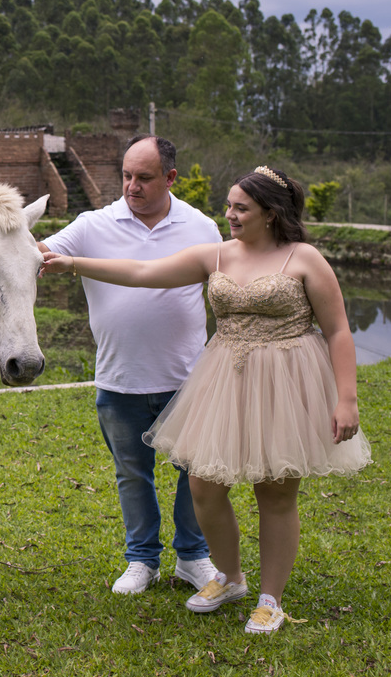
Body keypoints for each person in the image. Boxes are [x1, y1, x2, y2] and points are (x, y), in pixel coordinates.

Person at [42, 166, 372, 634]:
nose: (230, 215)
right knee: (204, 485)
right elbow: (141, 272)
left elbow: (338, 330)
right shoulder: (215, 255)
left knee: (275, 492)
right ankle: (231, 577)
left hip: (288, 379)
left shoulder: (305, 259)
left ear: (271, 214)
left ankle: (270, 599)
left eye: (241, 208)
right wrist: (73, 263)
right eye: (230, 205)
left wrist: (347, 398)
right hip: (224, 378)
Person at [39, 135, 222, 596]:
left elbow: (228, 292)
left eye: (144, 177)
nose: (131, 186)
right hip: (120, 378)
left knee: (193, 473)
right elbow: (36, 252)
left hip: (188, 378)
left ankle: (192, 555)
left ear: (171, 178)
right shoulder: (92, 224)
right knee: (132, 473)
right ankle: (142, 560)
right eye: (126, 176)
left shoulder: (201, 227)